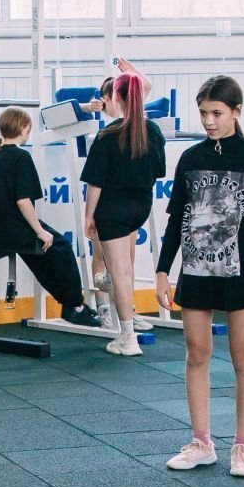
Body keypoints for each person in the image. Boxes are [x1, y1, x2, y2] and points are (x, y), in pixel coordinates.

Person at [155, 76, 244, 478]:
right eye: (204, 113)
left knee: (243, 358)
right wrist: (162, 270)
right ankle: (202, 442)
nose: (209, 121)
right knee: (196, 353)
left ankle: (243, 445)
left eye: (217, 113)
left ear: (237, 112)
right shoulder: (190, 158)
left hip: (243, 274)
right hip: (196, 269)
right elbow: (177, 219)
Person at [0, 108, 104, 329]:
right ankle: (75, 307)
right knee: (61, 248)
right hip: (16, 229)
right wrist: (40, 232)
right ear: (23, 129)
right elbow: (23, 202)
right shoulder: (21, 157)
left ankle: (72, 305)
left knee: (40, 260)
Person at [81, 71, 167, 356]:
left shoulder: (107, 135)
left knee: (119, 271)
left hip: (113, 210)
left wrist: (89, 216)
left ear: (115, 97)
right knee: (124, 268)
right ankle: (111, 288)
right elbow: (159, 171)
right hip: (140, 208)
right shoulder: (153, 131)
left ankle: (127, 337)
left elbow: (95, 183)